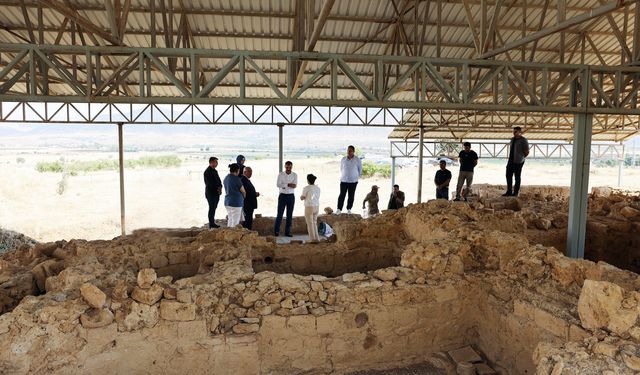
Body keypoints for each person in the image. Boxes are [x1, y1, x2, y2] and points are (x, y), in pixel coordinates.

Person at [503, 126, 530, 197]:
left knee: (517, 177)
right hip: (510, 160)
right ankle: (509, 191)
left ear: (520, 132)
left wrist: (521, 158)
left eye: (515, 132)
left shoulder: (523, 140)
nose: (514, 133)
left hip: (518, 162)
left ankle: (515, 193)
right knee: (508, 175)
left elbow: (527, 152)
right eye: (513, 131)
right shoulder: (512, 139)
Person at [336, 145, 362, 214]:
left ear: (353, 151)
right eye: (348, 150)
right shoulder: (343, 159)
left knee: (351, 195)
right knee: (342, 195)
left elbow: (360, 170)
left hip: (353, 181)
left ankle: (349, 209)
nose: (348, 152)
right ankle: (339, 209)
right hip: (344, 180)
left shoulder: (357, 159)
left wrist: (355, 177)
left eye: (350, 151)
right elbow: (342, 169)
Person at [274, 161, 297, 237]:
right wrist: (288, 184)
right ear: (285, 166)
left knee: (289, 215)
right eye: (287, 167)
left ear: (291, 167)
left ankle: (287, 232)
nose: (288, 168)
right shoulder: (281, 174)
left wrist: (284, 185)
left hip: (291, 196)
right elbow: (278, 184)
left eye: (290, 167)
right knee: (280, 214)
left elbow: (294, 185)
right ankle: (276, 231)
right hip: (282, 196)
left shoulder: (294, 175)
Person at [223, 163, 246, 228]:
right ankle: (232, 237)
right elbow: (243, 191)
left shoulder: (226, 178)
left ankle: (228, 235)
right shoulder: (236, 179)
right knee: (235, 222)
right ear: (237, 170)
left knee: (230, 220)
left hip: (227, 202)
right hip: (236, 203)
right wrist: (244, 197)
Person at [300, 174, 321, 243]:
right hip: (316, 206)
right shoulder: (318, 188)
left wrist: (302, 197)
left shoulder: (306, 188)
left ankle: (312, 239)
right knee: (314, 222)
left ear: (308, 180)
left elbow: (302, 197)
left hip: (309, 206)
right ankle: (317, 238)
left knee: (310, 223)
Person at [203, 156, 222, 229]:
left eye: (217, 162)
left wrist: (220, 187)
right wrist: (217, 188)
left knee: (214, 207)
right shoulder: (207, 172)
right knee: (212, 208)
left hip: (216, 192)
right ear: (210, 162)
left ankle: (212, 222)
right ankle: (211, 223)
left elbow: (219, 181)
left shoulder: (215, 171)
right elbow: (209, 184)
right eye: (215, 162)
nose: (216, 163)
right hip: (211, 193)